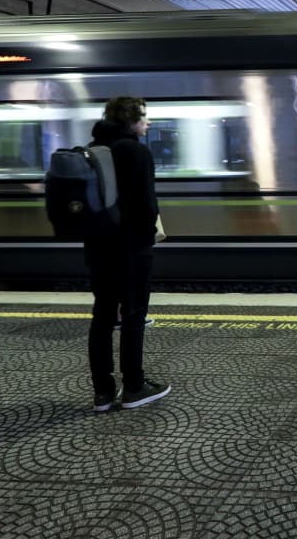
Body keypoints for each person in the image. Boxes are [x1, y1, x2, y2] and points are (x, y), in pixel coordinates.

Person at [85, 96, 171, 411]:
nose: (147, 123)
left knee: (103, 316)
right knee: (134, 315)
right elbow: (147, 205)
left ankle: (103, 392)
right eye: (144, 117)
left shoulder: (93, 150)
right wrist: (148, 234)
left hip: (97, 248)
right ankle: (134, 386)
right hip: (132, 247)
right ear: (131, 120)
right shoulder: (136, 152)